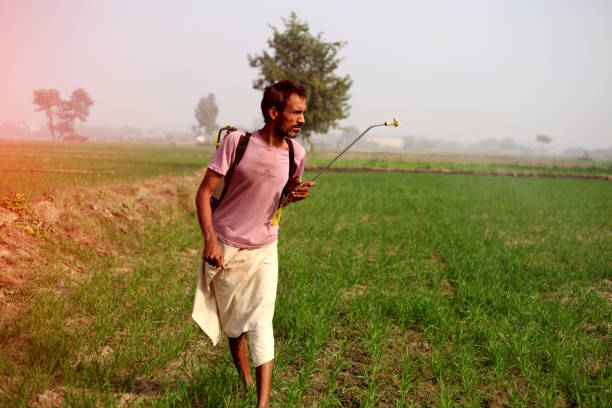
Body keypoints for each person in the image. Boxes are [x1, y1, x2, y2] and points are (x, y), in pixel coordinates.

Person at [192, 80, 315, 407]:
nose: (303, 119)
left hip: (264, 249)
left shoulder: (296, 154)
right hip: (226, 245)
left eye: (304, 112)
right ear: (274, 113)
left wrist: (294, 196)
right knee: (235, 327)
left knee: (261, 322)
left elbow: (280, 199)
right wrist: (211, 242)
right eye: (296, 112)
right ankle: (245, 383)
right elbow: (203, 194)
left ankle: (262, 404)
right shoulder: (237, 143)